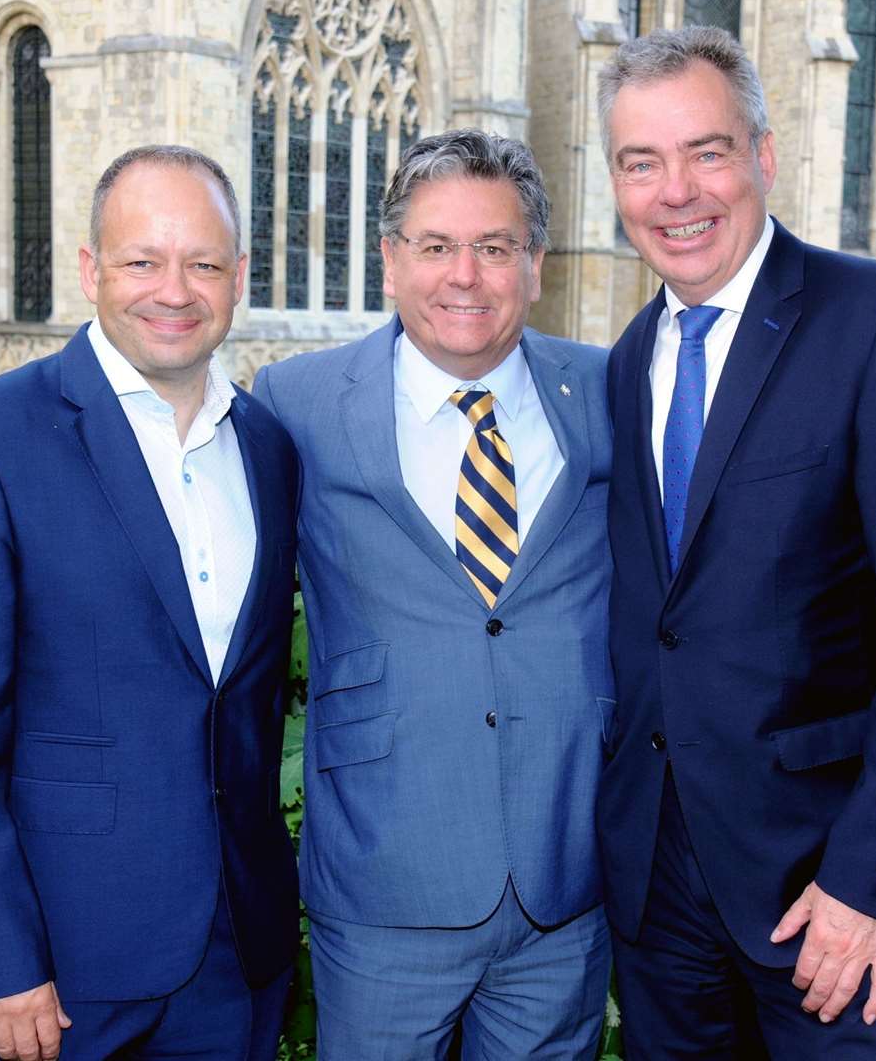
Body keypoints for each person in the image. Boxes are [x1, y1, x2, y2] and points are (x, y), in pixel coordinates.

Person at [596, 26, 876, 1058]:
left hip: (830, 895)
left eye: (706, 152)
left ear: (764, 158)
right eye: (642, 162)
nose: (675, 190)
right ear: (617, 184)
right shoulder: (628, 358)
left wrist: (871, 883)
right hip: (661, 898)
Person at [0, 145, 300, 1061]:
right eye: (141, 261)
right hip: (58, 975)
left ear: (238, 279)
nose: (174, 289)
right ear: (90, 271)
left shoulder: (269, 449)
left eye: (201, 264)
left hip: (239, 956)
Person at [253, 129, 612, 1060]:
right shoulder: (294, 404)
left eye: (495, 247)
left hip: (564, 880)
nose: (466, 275)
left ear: (534, 265)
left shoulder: (608, 392)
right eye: (435, 246)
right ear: (388, 259)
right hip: (383, 882)